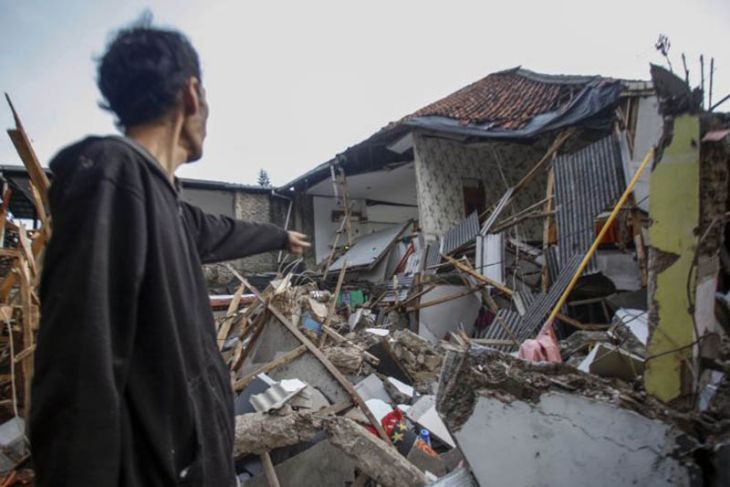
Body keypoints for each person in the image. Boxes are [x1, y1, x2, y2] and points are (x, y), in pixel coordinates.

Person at [29, 19, 310, 487]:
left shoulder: (166, 206)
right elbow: (77, 378)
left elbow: (223, 231)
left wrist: (281, 238)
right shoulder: (112, 178)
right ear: (191, 95)